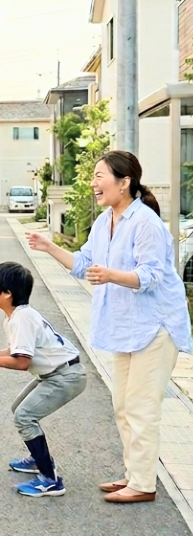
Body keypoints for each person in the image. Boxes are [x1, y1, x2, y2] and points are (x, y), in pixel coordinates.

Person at [27, 150, 192, 503]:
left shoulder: (145, 223)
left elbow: (150, 276)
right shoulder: (106, 221)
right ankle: (135, 474)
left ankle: (144, 484)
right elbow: (85, 263)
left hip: (156, 326)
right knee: (122, 404)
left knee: (141, 406)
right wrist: (48, 247)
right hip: (127, 327)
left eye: (100, 175)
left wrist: (111, 275)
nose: (93, 182)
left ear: (124, 182)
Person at [0, 261, 86, 498]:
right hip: (57, 373)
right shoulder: (15, 317)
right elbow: (14, 351)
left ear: (7, 293)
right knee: (18, 408)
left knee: (25, 416)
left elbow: (22, 362)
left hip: (66, 376)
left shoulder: (22, 318)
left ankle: (51, 480)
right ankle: (37, 459)